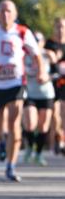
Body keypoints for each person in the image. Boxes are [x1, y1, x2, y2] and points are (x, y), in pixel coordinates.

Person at [0, 0, 41, 182]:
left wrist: (40, 71)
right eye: (1, 11)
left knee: (14, 121)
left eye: (9, 11)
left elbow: (37, 55)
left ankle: (10, 166)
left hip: (16, 83)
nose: (5, 14)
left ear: (15, 14)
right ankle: (2, 141)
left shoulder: (23, 32)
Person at [22, 31, 55, 166]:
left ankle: (39, 154)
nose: (36, 43)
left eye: (38, 40)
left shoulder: (47, 55)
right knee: (30, 122)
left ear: (42, 42)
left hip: (46, 93)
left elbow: (56, 70)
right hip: (29, 93)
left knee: (43, 126)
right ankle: (30, 146)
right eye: (33, 40)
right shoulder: (24, 55)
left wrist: (47, 76)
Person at [44, 16, 65, 154]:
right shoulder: (49, 44)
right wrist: (48, 53)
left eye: (62, 27)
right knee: (55, 115)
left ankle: (61, 141)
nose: (60, 30)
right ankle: (57, 141)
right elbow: (39, 53)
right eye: (58, 27)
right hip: (53, 83)